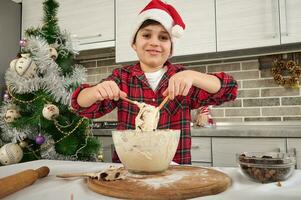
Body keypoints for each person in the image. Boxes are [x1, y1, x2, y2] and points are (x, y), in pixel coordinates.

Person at [71, 0, 238, 164]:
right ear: (134, 43)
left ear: (171, 48)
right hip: (130, 171)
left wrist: (193, 76)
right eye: (146, 35)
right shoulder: (122, 78)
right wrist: (96, 91)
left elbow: (229, 89)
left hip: (174, 172)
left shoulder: (182, 78)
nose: (154, 42)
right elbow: (81, 106)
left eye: (163, 37)